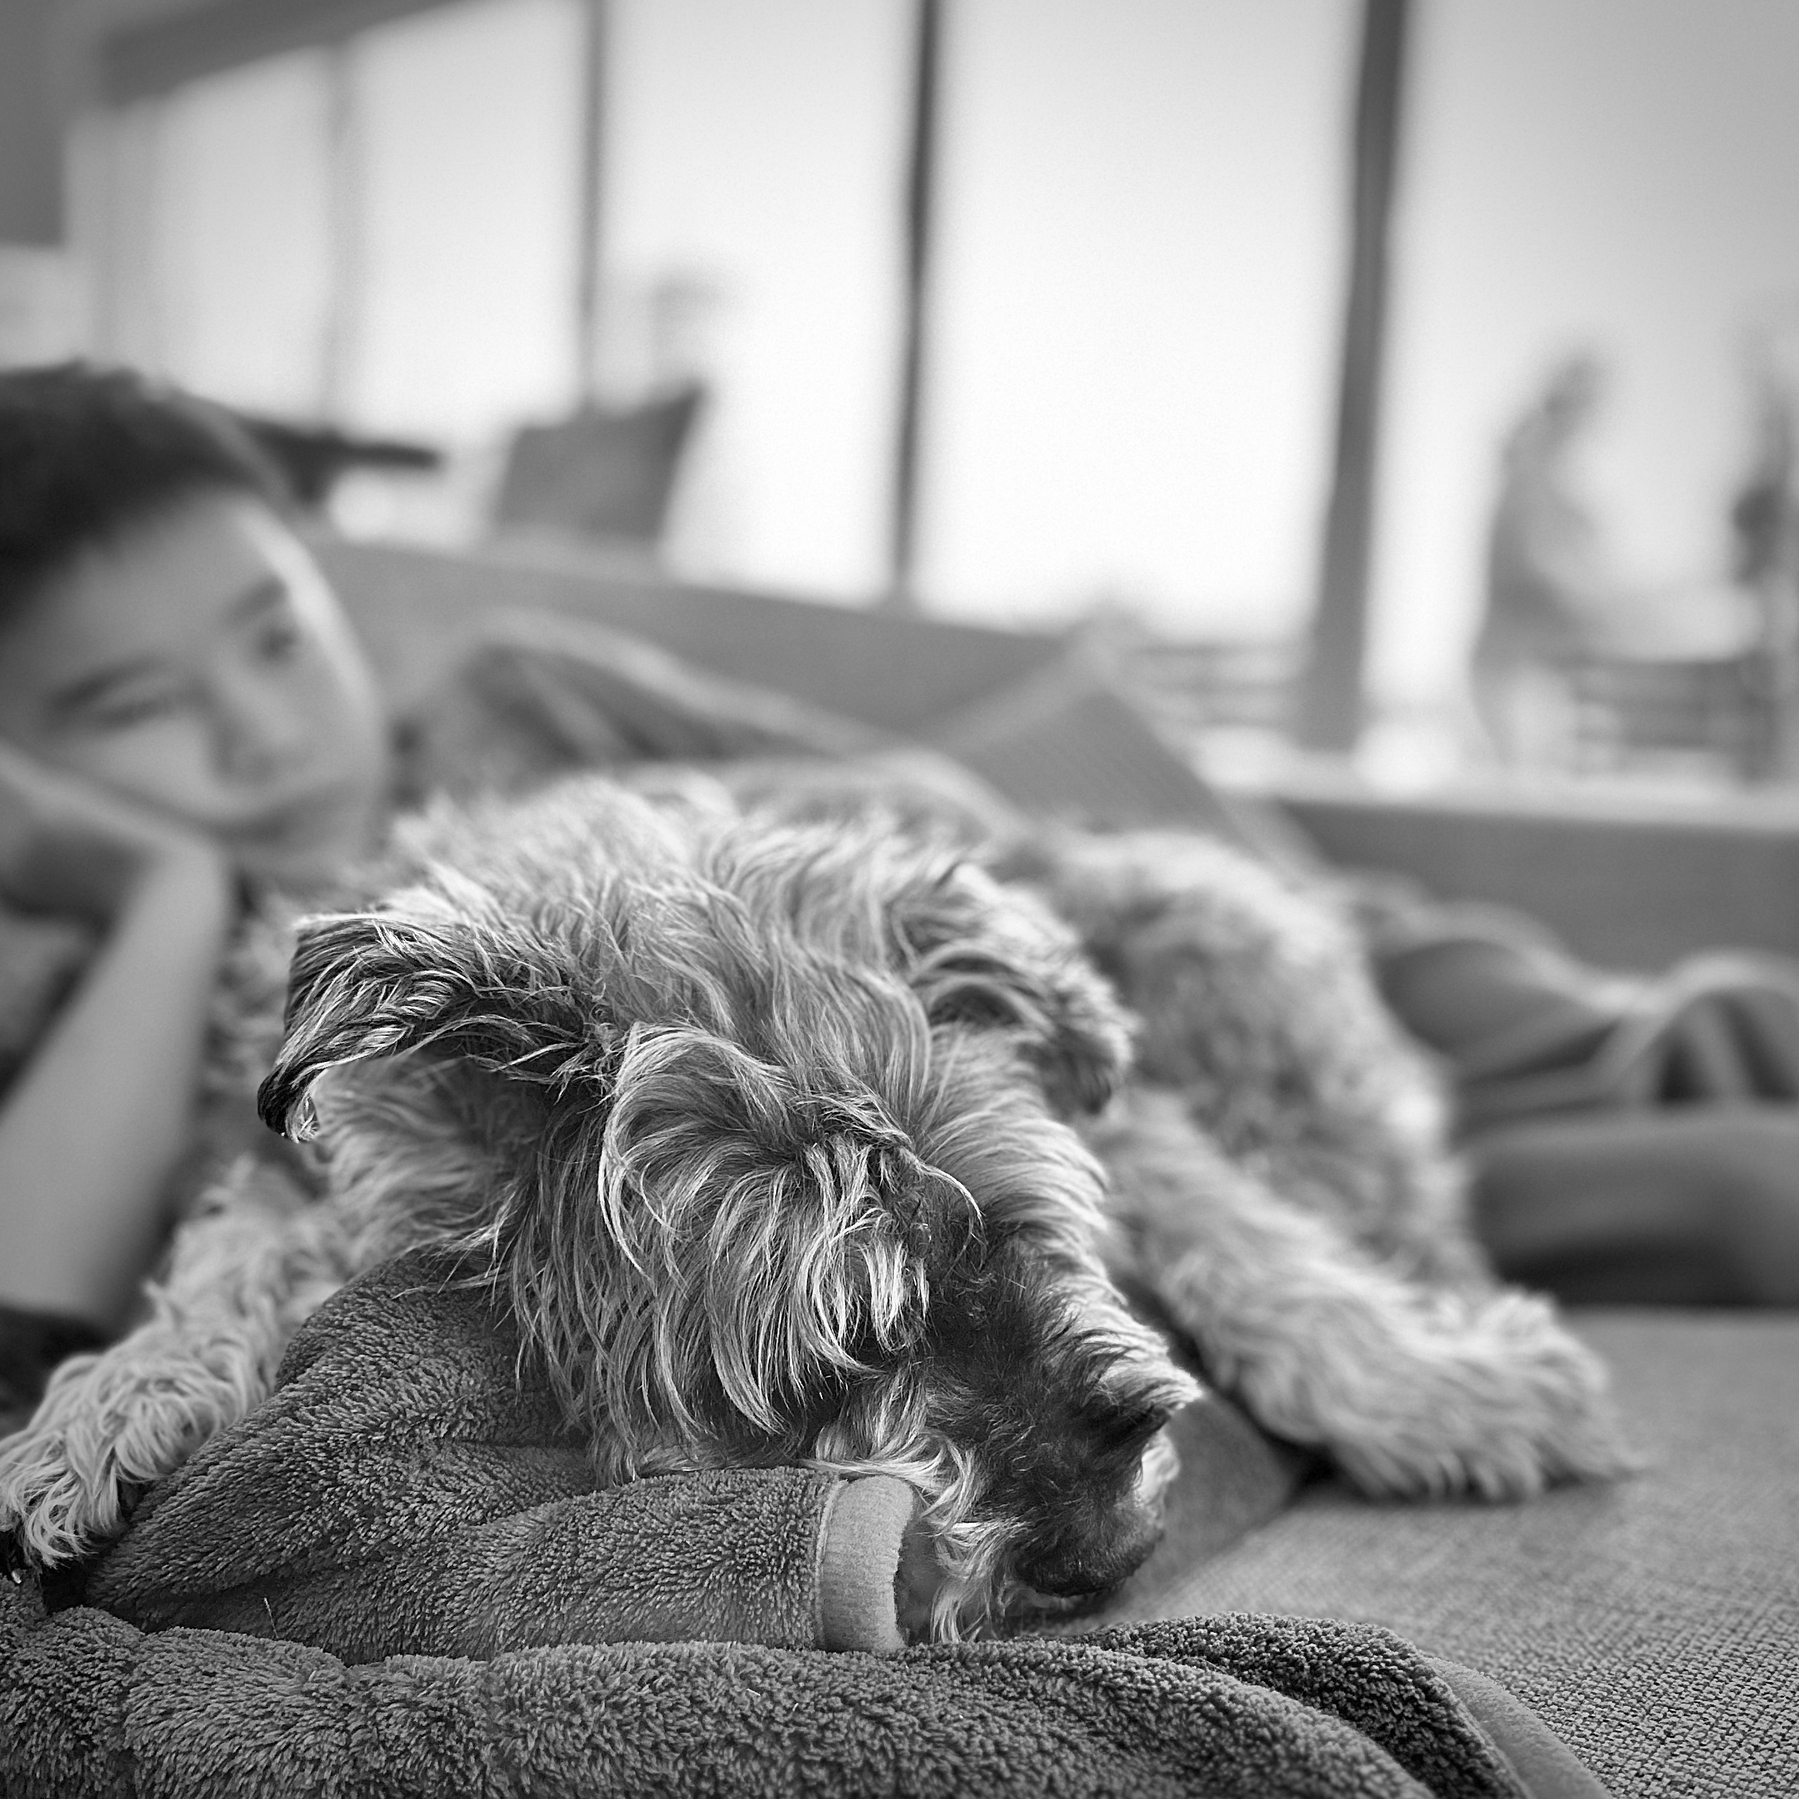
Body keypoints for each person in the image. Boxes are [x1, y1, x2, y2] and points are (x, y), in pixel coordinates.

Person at [0, 365, 393, 1413]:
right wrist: (169, 896)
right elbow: (18, 1357)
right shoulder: (52, 976)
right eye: (140, 707)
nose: (268, 737)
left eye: (281, 639)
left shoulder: (529, 707)